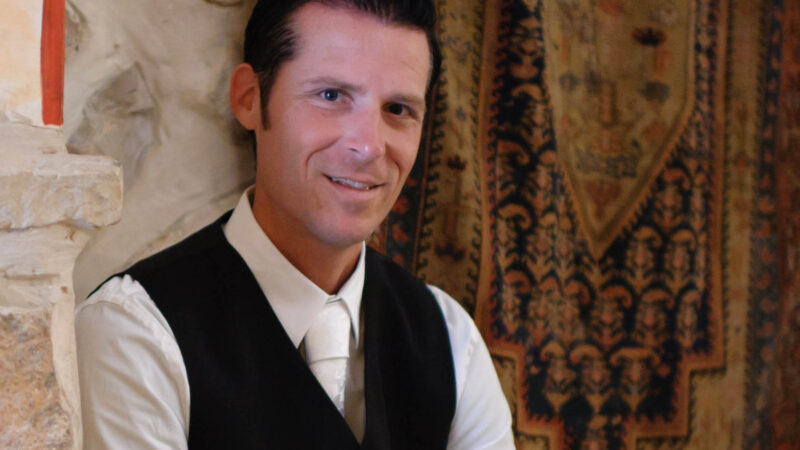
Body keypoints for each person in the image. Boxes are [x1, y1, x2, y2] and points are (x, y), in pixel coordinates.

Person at [75, 1, 514, 448]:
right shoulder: (135, 331)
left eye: (398, 109)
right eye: (331, 96)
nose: (369, 146)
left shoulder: (452, 340)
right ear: (249, 98)